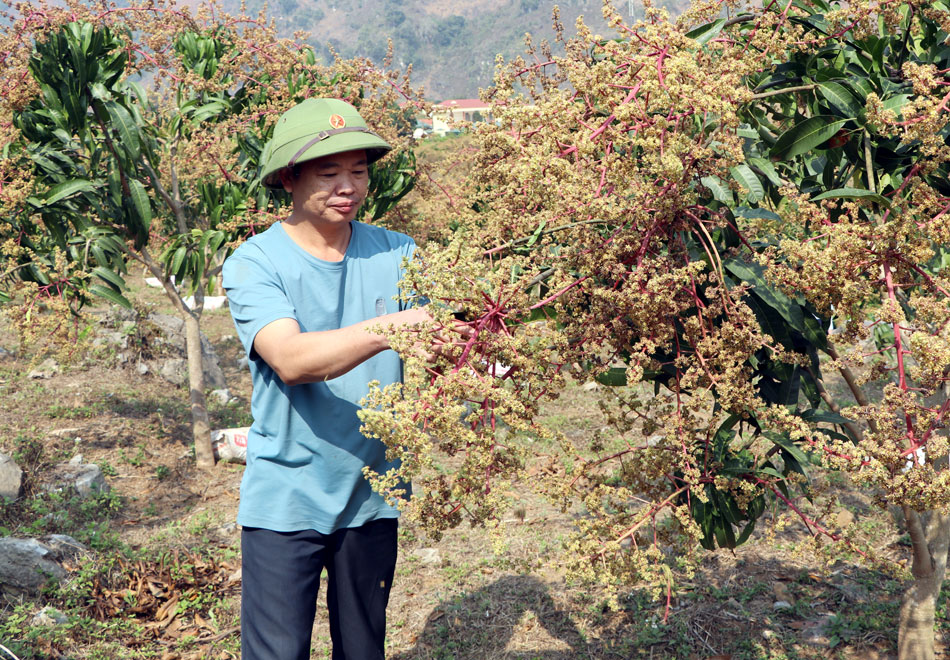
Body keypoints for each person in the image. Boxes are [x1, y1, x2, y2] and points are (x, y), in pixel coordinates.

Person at [222, 97, 430, 660]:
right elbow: (291, 360)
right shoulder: (255, 262)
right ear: (289, 178)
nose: (348, 186)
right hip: (286, 497)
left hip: (373, 491)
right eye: (329, 172)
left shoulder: (398, 252)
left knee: (362, 648)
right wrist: (394, 326)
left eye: (359, 171)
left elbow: (440, 344)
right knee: (277, 652)